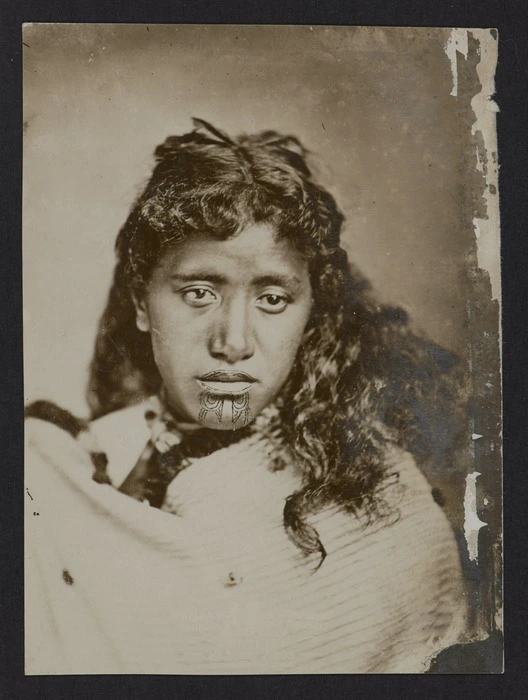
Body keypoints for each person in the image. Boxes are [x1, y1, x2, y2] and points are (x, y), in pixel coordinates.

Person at [25, 118, 468, 674]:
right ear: (142, 303)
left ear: (311, 317)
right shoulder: (59, 472)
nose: (232, 343)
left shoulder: (381, 503)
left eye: (274, 300)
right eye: (198, 292)